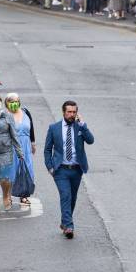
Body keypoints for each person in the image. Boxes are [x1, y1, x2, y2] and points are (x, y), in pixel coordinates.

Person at [44, 101, 95, 239]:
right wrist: (50, 166)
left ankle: (64, 222)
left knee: (72, 198)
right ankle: (69, 226)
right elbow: (47, 149)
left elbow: (91, 140)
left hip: (76, 169)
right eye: (69, 112)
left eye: (74, 112)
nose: (71, 114)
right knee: (65, 195)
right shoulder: (54, 128)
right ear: (63, 112)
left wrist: (84, 126)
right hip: (60, 169)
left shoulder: (80, 127)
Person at [4, 93, 36, 205]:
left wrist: (33, 142)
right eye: (11, 101)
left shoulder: (26, 112)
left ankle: (24, 195)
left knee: (26, 169)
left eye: (16, 100)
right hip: (11, 146)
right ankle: (7, 196)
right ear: (6, 103)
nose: (14, 103)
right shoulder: (4, 115)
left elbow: (31, 128)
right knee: (11, 170)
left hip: (26, 145)